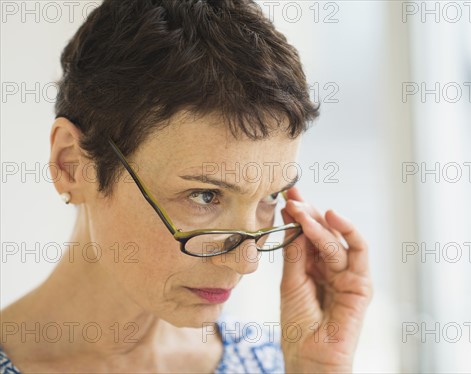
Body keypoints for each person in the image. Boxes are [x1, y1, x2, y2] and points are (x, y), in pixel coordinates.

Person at [0, 0, 373, 372]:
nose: (248, 262)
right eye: (205, 196)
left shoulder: (273, 363)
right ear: (72, 165)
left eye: (270, 197)